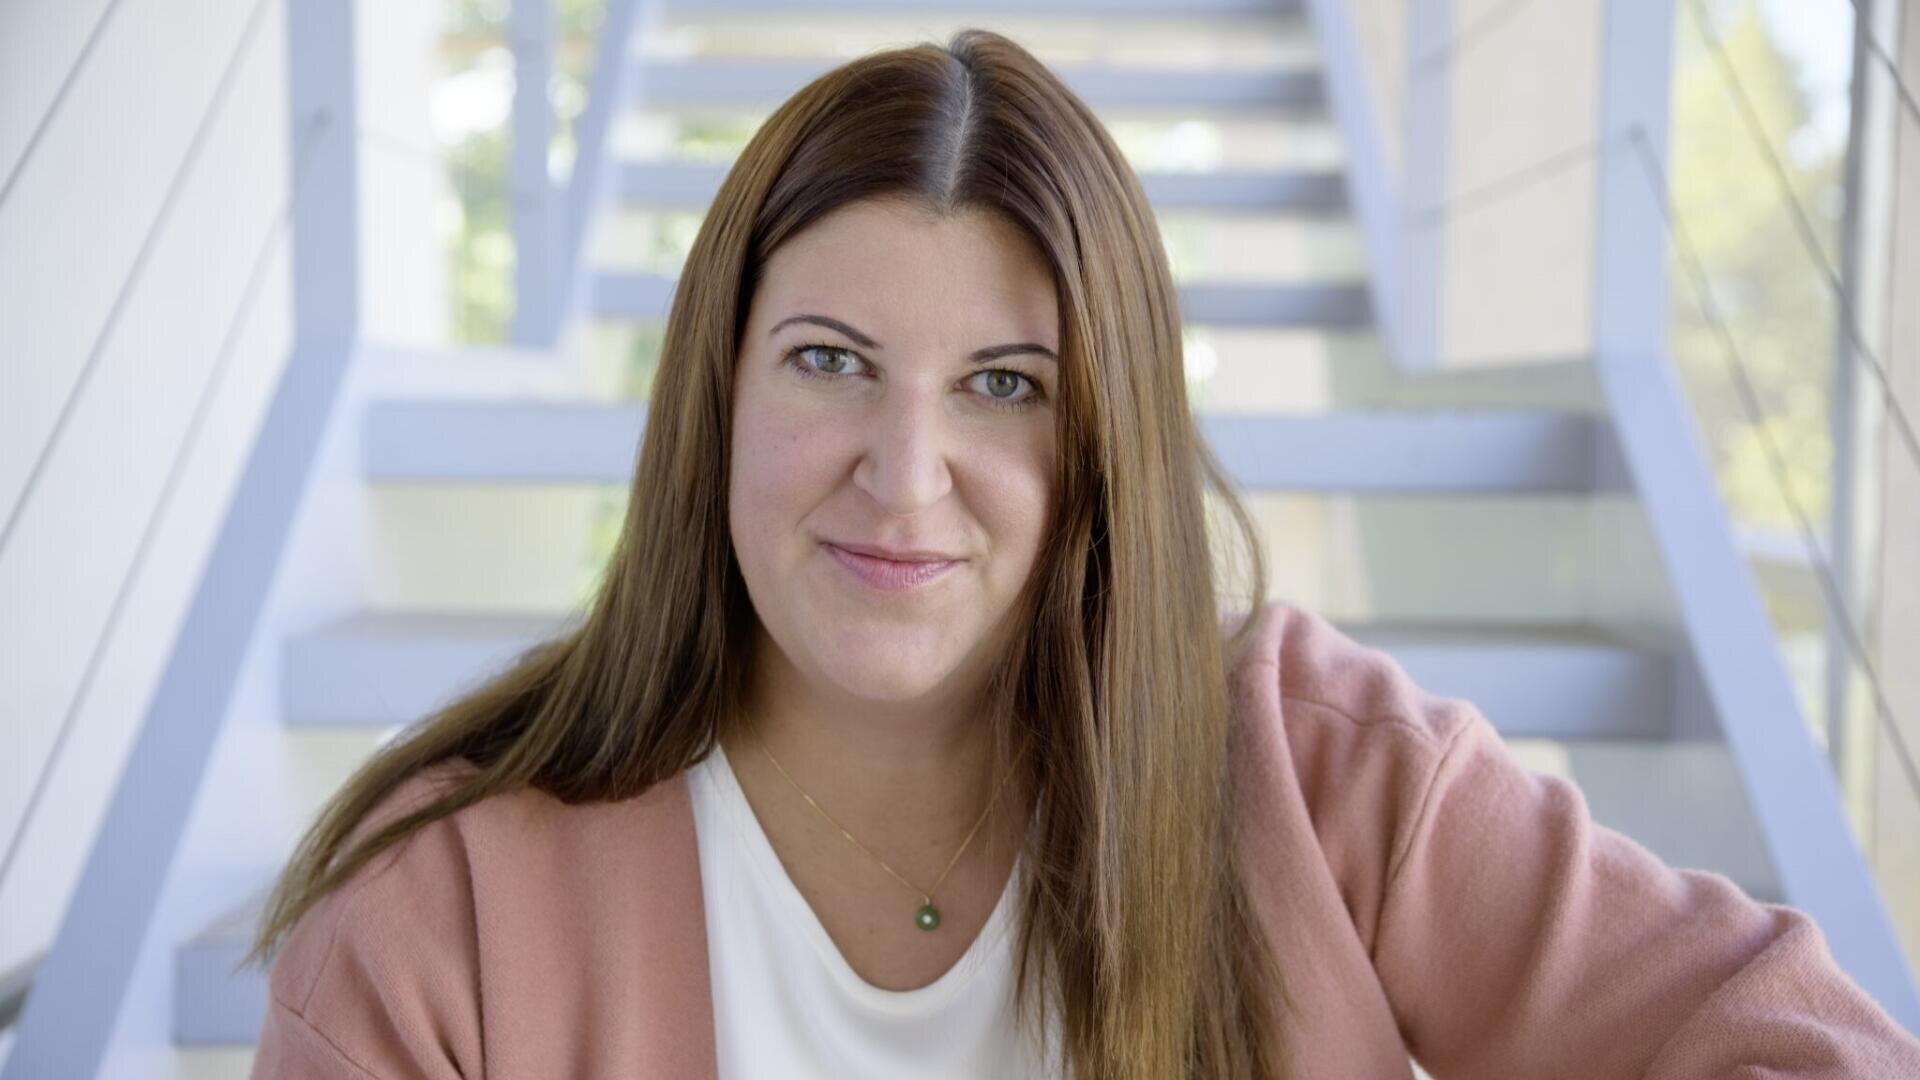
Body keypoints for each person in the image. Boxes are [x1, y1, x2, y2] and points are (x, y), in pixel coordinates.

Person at [244, 27, 1920, 1079]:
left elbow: (1804, 1050)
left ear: (1102, 439)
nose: (907, 477)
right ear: (716, 394)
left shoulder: (1309, 766)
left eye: (1006, 387)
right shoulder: (443, 896)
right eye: (830, 360)